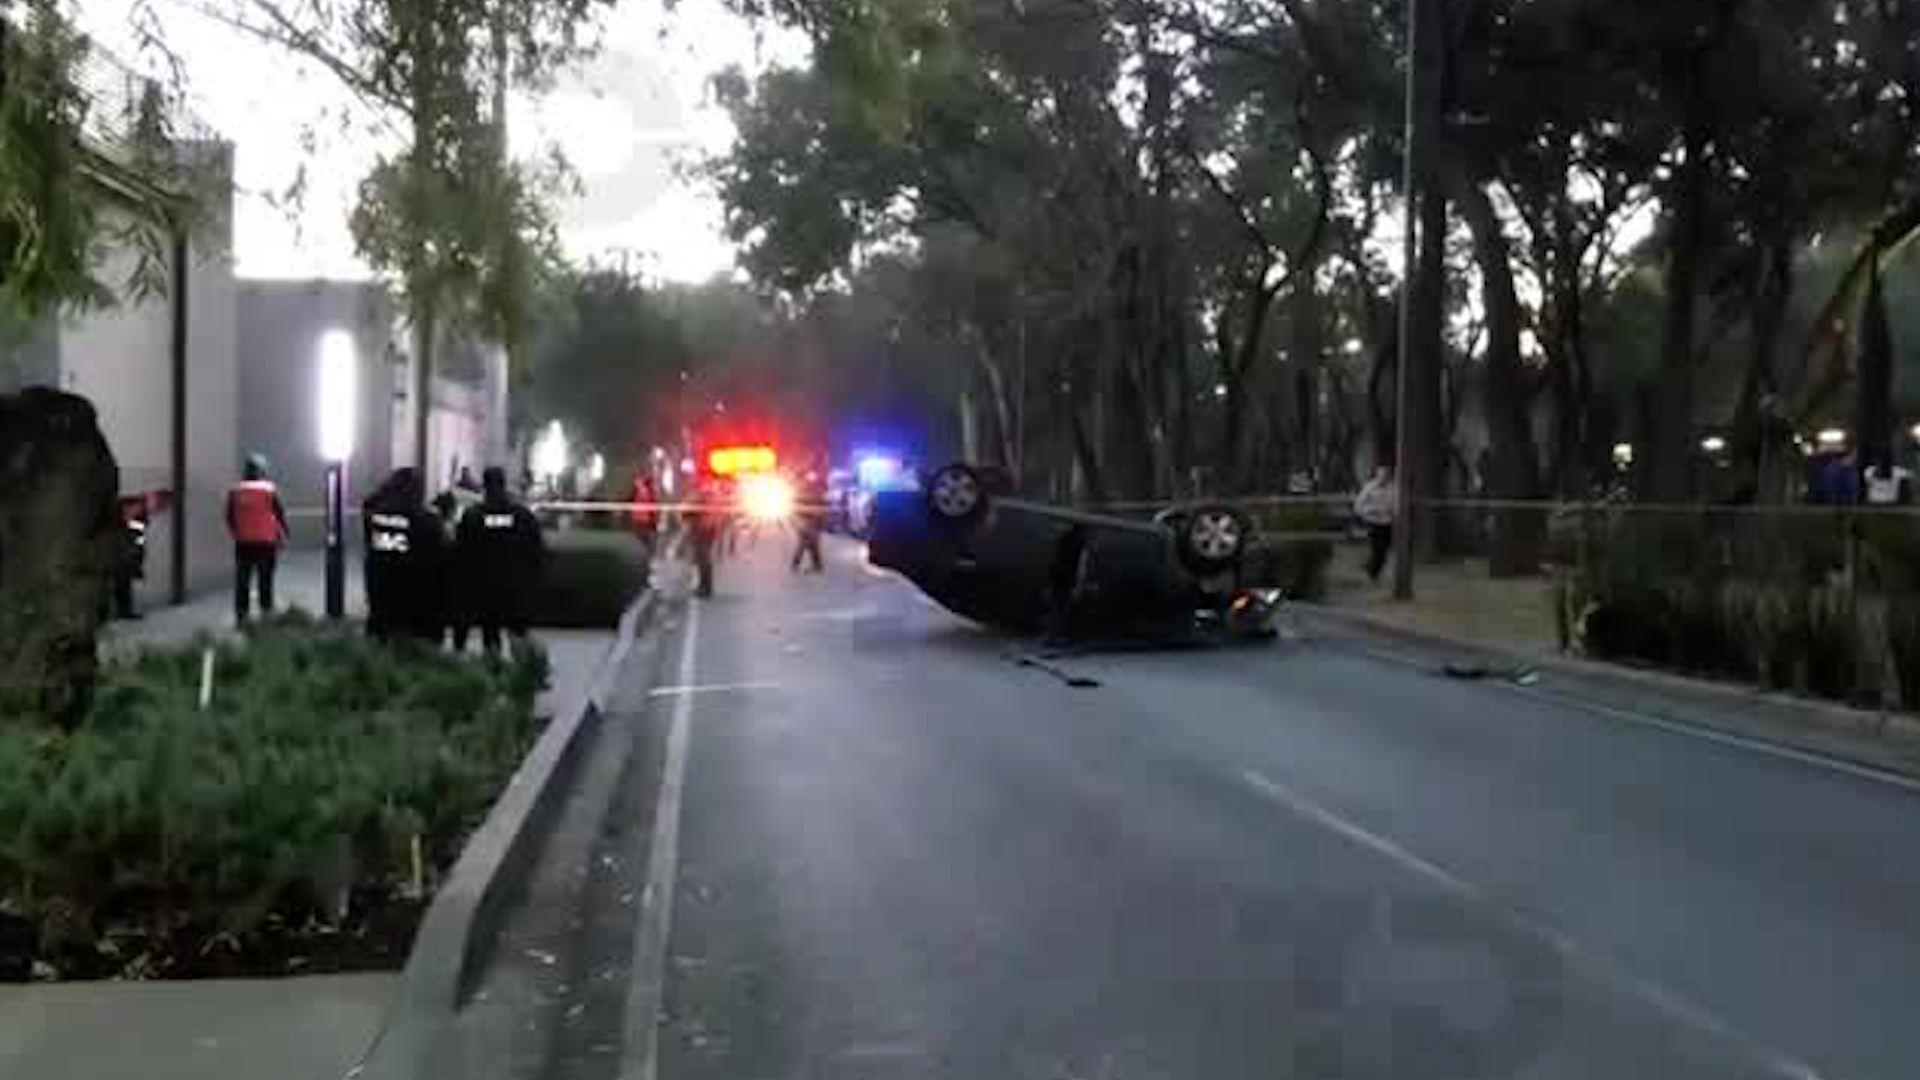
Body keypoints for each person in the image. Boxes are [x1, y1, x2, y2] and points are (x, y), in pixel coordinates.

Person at [453, 467, 546, 655]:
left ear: (484, 486)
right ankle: (523, 673)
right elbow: (537, 549)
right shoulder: (522, 515)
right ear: (504, 484)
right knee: (518, 633)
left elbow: (461, 553)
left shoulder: (473, 516)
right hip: (516, 587)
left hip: (485, 587)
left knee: (490, 633)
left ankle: (494, 669)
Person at [362, 467, 448, 643]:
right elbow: (444, 561)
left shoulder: (377, 519)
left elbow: (368, 503)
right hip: (420, 608)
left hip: (383, 604)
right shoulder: (428, 522)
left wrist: (385, 489)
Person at [226, 455, 289, 623]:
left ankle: (241, 616)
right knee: (265, 580)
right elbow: (279, 514)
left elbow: (229, 517)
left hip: (243, 542)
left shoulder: (235, 490)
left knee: (242, 581)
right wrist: (284, 536)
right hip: (266, 542)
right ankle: (266, 614)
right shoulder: (269, 489)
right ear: (262, 471)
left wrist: (237, 534)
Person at [1354, 464, 1398, 584]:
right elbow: (1358, 506)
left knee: (1384, 551)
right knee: (1378, 548)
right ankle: (1373, 574)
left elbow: (1396, 505)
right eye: (1382, 474)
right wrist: (1370, 511)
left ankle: (1370, 568)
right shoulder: (1369, 487)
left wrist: (1394, 513)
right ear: (1377, 475)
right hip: (1372, 522)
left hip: (1387, 523)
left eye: (1386, 474)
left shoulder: (1393, 488)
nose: (1384, 477)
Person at [686, 477, 727, 598]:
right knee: (703, 558)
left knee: (702, 558)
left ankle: (705, 588)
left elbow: (690, 508)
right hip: (709, 528)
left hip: (702, 528)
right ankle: (705, 587)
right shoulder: (713, 493)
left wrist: (687, 512)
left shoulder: (703, 493)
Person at [791, 469, 827, 573]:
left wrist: (821, 520)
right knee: (805, 544)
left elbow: (823, 506)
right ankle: (798, 564)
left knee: (812, 544)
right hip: (805, 522)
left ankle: (816, 565)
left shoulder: (817, 494)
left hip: (812, 522)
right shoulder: (800, 493)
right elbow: (795, 508)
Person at [630, 472, 660, 559]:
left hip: (640, 519)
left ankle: (643, 557)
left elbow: (652, 505)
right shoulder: (645, 490)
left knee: (643, 539)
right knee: (643, 539)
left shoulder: (643, 489)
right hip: (642, 519)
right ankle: (643, 557)